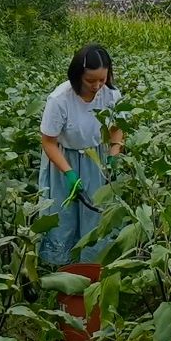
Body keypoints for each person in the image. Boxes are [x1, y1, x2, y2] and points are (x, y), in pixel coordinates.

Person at [38, 43, 124, 265]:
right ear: (77, 76)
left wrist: (114, 153)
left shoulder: (111, 95)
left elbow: (117, 129)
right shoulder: (59, 99)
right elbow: (48, 142)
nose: (97, 86)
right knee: (62, 216)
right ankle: (60, 269)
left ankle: (91, 266)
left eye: (102, 80)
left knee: (95, 215)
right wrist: (69, 174)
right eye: (90, 81)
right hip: (63, 162)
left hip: (96, 160)